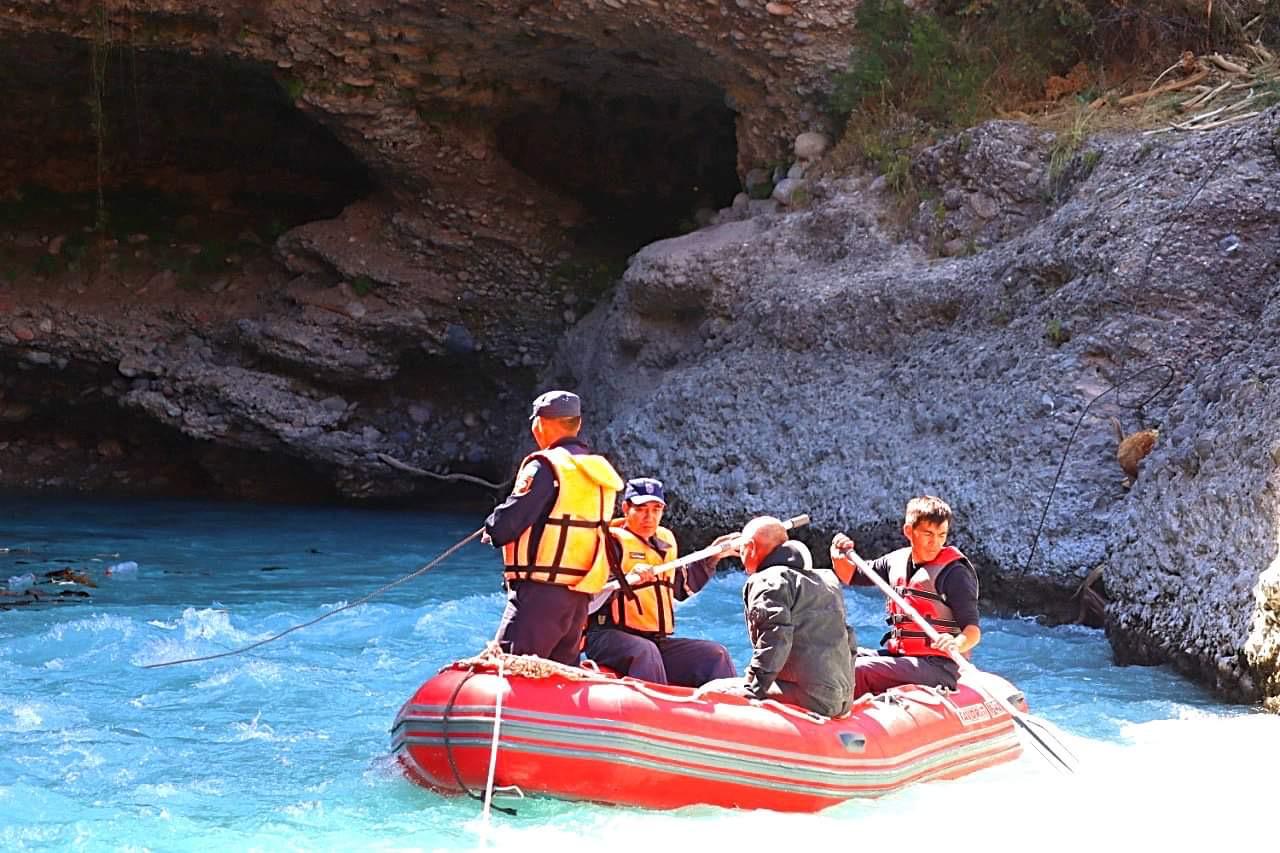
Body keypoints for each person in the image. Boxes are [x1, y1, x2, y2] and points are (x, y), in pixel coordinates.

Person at [482, 390, 624, 666]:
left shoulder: (547, 466)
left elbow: (510, 522)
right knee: (558, 672)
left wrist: (492, 527)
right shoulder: (598, 470)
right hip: (578, 599)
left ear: (541, 423)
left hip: (540, 595)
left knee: (510, 669)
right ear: (577, 424)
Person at [584, 477, 737, 686]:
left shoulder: (663, 544)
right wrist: (625, 579)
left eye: (656, 509)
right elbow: (588, 596)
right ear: (625, 508)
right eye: (641, 509)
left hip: (654, 640)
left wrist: (712, 557)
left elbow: (680, 588)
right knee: (645, 652)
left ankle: (729, 708)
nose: (649, 517)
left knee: (715, 655)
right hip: (607, 635)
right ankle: (654, 713)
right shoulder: (610, 544)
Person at [700, 516, 854, 717]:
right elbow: (849, 638)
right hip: (842, 698)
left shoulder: (768, 581)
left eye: (743, 549)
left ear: (751, 548)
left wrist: (753, 689)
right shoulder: (827, 580)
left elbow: (775, 637)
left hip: (810, 697)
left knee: (710, 693)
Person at [830, 495, 981, 697]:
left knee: (859, 670)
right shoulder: (895, 561)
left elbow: (972, 630)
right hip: (902, 657)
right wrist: (837, 556)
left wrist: (956, 642)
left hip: (937, 666)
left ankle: (831, 713)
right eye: (928, 534)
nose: (934, 542)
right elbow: (850, 575)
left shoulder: (955, 574)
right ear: (909, 531)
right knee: (837, 657)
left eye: (941, 535)